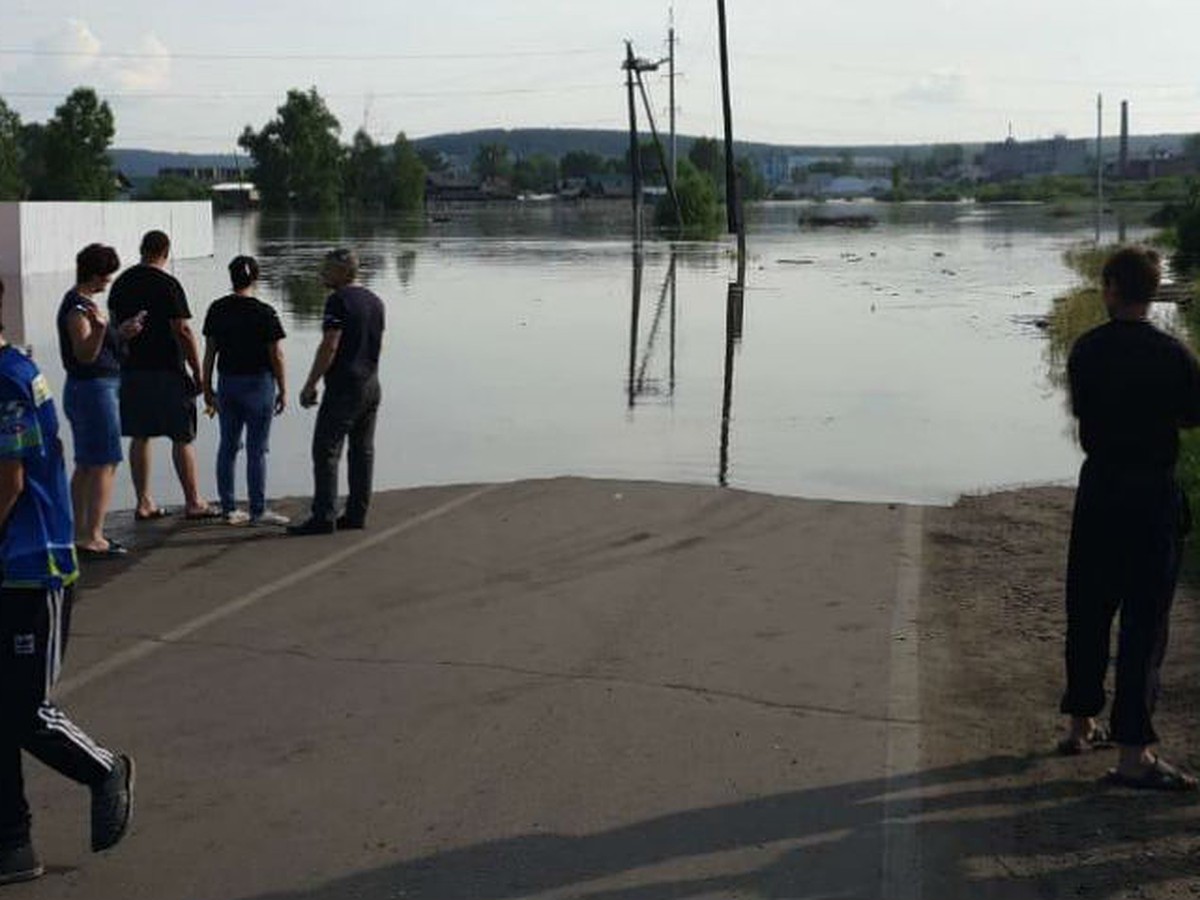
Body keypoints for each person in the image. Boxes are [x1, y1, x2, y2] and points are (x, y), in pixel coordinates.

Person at [0, 276, 134, 886]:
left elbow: (11, 482)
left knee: (23, 709)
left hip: (33, 567)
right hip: (11, 565)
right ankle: (13, 845)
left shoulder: (7, 379)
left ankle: (103, 769)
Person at [1058, 245, 1200, 791]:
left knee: (1088, 608)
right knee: (1144, 622)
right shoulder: (1173, 353)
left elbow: (1080, 410)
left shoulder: (1087, 350)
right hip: (1151, 493)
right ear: (1152, 289)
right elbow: (1193, 414)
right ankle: (1132, 754)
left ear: (1113, 288)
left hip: (1100, 489)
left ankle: (1080, 723)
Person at [107, 230, 217, 521]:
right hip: (168, 369)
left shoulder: (121, 283)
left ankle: (144, 502)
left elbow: (114, 326)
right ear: (165, 252)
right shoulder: (168, 284)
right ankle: (193, 501)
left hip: (131, 369)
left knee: (140, 436)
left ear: (142, 249)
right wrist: (197, 370)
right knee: (182, 435)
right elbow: (181, 329)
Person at [288, 248, 384, 536]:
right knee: (362, 451)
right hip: (371, 382)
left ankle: (324, 515)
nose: (322, 274)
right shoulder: (375, 301)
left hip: (344, 384)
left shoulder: (337, 301)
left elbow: (331, 344)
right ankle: (357, 512)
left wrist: (310, 383)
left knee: (326, 450)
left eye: (327, 269)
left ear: (344, 272)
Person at [57, 244, 144, 558]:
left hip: (88, 389)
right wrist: (102, 329)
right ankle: (93, 536)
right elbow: (84, 355)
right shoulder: (78, 309)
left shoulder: (83, 304)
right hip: (93, 389)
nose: (108, 282)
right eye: (106, 276)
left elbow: (96, 347)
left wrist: (119, 333)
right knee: (106, 461)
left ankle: (77, 531)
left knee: (86, 463)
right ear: (95, 275)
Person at [202, 256, 290, 526]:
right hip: (259, 384)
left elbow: (210, 353)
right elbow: (276, 355)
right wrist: (283, 389)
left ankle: (229, 508)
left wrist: (207, 387)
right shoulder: (265, 312)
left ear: (231, 278)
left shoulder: (217, 309)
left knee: (227, 446)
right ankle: (257, 509)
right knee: (257, 449)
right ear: (256, 278)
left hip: (228, 383)